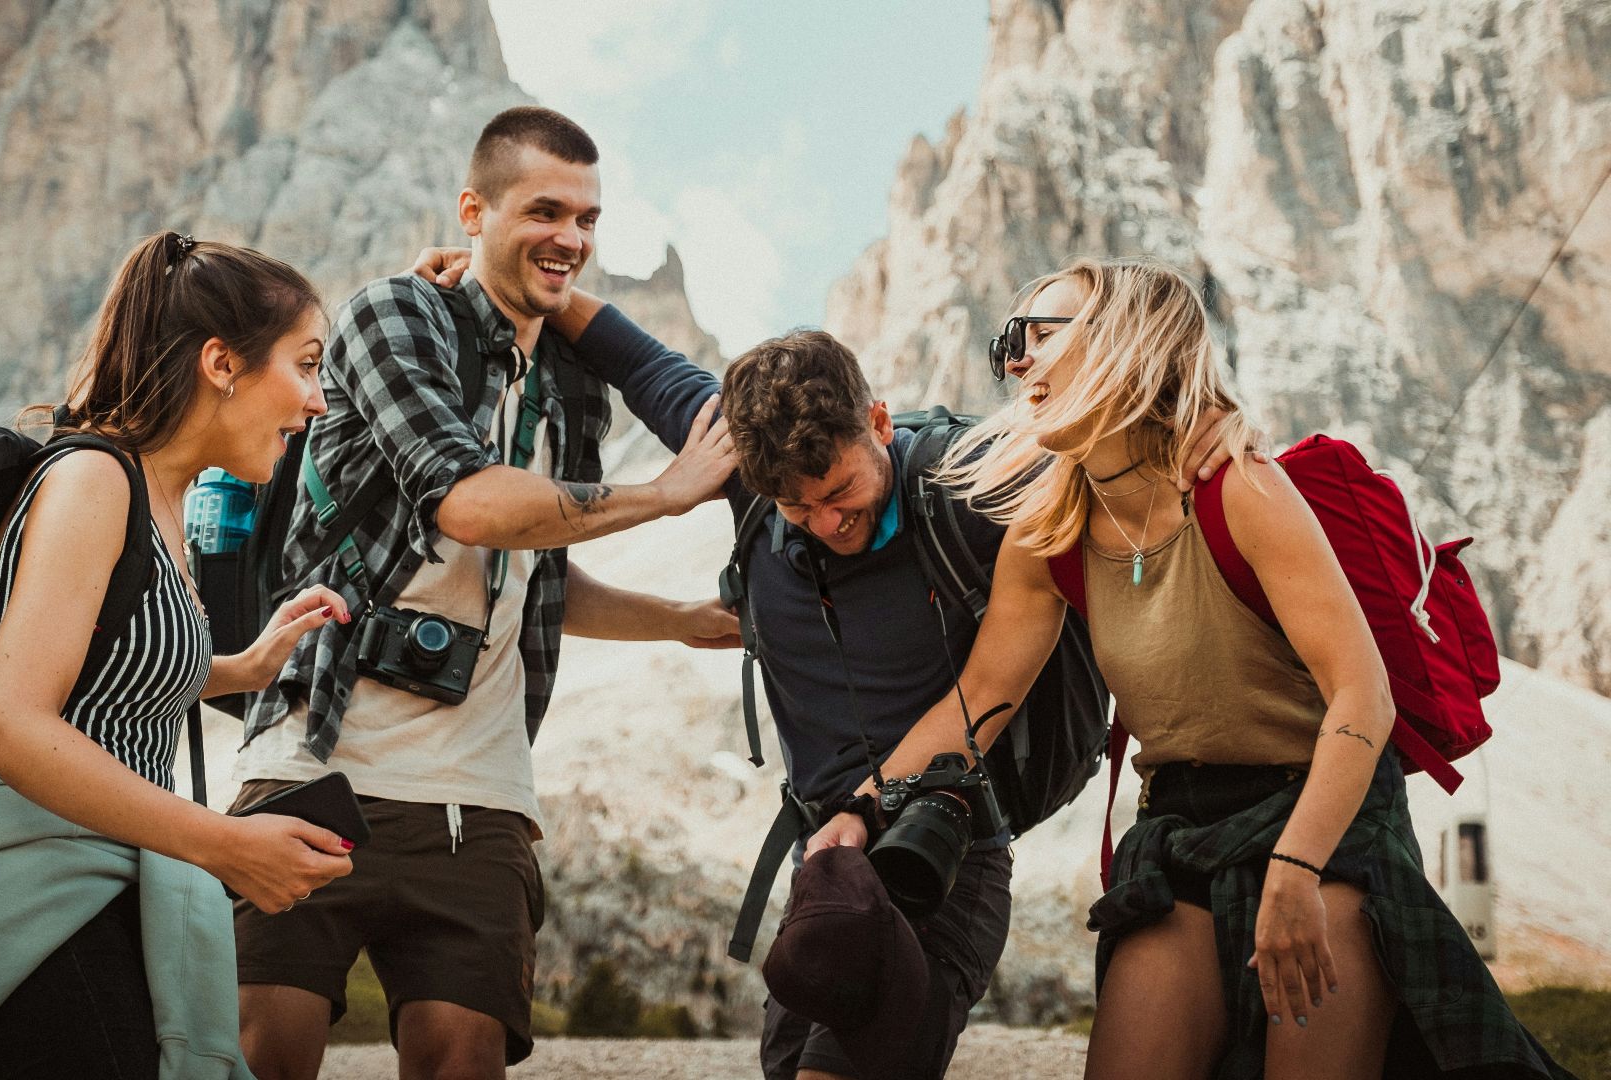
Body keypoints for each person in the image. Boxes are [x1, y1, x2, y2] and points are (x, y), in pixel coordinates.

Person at [412, 243, 1241, 1080]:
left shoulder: (970, 488)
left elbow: (1117, 444)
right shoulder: (751, 474)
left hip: (942, 857)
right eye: (793, 508)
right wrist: (512, 277)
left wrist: (1209, 423)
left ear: (879, 422)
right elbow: (636, 358)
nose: (824, 523)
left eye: (840, 493)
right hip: (832, 867)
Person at [819, 255, 1573, 1079]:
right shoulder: (1048, 534)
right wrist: (863, 808)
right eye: (1010, 342)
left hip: (1324, 816)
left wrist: (1297, 868)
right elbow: (980, 700)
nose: (1016, 360)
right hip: (1178, 825)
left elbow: (1365, 697)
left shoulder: (1238, 488)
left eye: (1041, 333)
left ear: (1125, 340)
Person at [230, 106, 740, 1080]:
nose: (573, 238)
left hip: (481, 795)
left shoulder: (575, 382)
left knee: (464, 1060)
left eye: (589, 219)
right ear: (474, 208)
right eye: (545, 210)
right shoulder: (394, 316)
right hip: (317, 758)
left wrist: (679, 623)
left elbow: (537, 564)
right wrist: (662, 498)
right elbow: (468, 505)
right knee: (265, 1055)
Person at [0, 231, 361, 1079]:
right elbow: (10, 727)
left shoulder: (158, 498)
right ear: (222, 363)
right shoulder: (93, 481)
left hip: (103, 884)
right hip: (36, 904)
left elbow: (98, 670)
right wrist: (224, 844)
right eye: (304, 365)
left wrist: (245, 665)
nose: (318, 401)